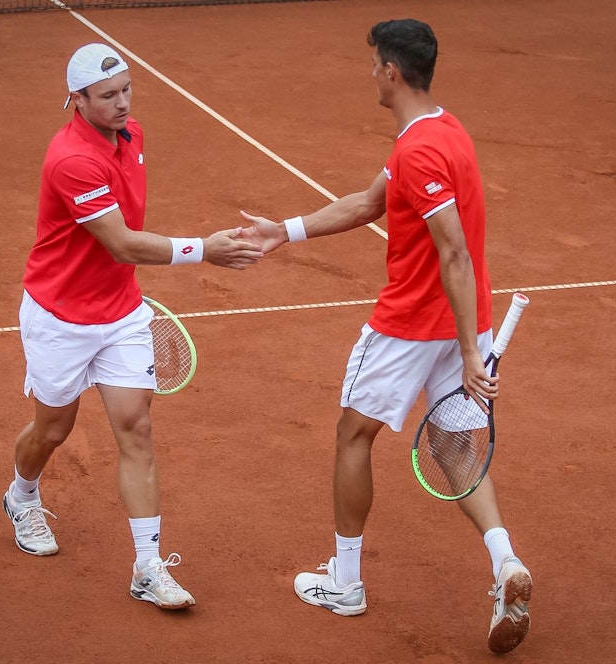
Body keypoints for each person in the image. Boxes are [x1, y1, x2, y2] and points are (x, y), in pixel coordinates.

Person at [240, 19, 532, 653]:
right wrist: (282, 231)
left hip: (414, 330)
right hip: (464, 323)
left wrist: (466, 350)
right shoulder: (442, 132)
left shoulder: (419, 151)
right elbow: (369, 203)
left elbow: (453, 253)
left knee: (354, 434)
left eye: (374, 63)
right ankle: (506, 564)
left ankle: (345, 582)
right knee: (455, 451)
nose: (369, 72)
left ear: (392, 72)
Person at [3, 43, 262, 611]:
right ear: (76, 100)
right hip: (60, 318)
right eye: (107, 96)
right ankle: (22, 495)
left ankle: (148, 566)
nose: (122, 104)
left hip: (121, 313)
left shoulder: (132, 135)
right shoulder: (72, 159)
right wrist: (204, 250)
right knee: (53, 429)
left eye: (126, 91)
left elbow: (123, 247)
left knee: (136, 430)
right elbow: (120, 241)